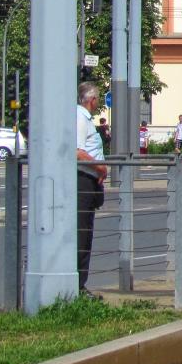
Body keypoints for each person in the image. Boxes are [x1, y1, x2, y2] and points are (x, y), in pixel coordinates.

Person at [76, 81, 109, 298]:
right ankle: (77, 285)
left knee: (86, 232)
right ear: (92, 100)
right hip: (83, 179)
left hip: (90, 179)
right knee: (82, 233)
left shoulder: (84, 118)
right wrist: (100, 167)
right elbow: (77, 151)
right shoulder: (80, 118)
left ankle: (80, 284)